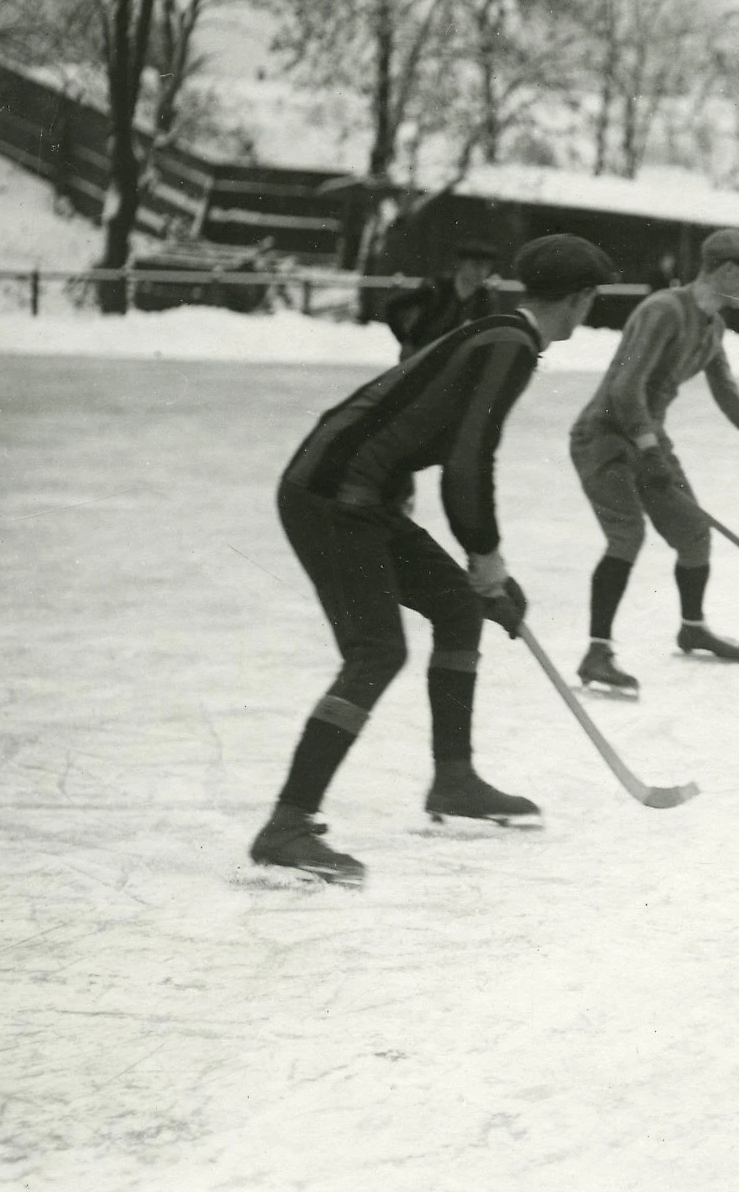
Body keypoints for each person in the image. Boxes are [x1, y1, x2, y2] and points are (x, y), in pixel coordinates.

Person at [250, 234, 617, 885]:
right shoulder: (509, 346)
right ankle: (288, 822)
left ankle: (454, 779)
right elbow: (468, 465)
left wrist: (480, 569)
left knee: (455, 605)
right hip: (332, 495)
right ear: (582, 298)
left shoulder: (502, 333)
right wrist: (489, 560)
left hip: (361, 493)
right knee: (376, 650)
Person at [569, 228, 739, 697]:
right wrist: (648, 449)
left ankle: (692, 627)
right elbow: (626, 389)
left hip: (646, 438)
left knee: (693, 534)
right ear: (727, 270)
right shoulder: (664, 310)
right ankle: (597, 652)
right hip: (603, 436)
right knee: (627, 534)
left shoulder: (712, 325)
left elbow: (723, 384)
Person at [384, 238, 505, 358]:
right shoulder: (436, 288)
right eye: (476, 265)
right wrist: (405, 342)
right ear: (461, 264)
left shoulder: (484, 298)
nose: (482, 272)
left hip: (452, 361)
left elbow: (489, 334)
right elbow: (392, 307)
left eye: (487, 267)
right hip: (420, 355)